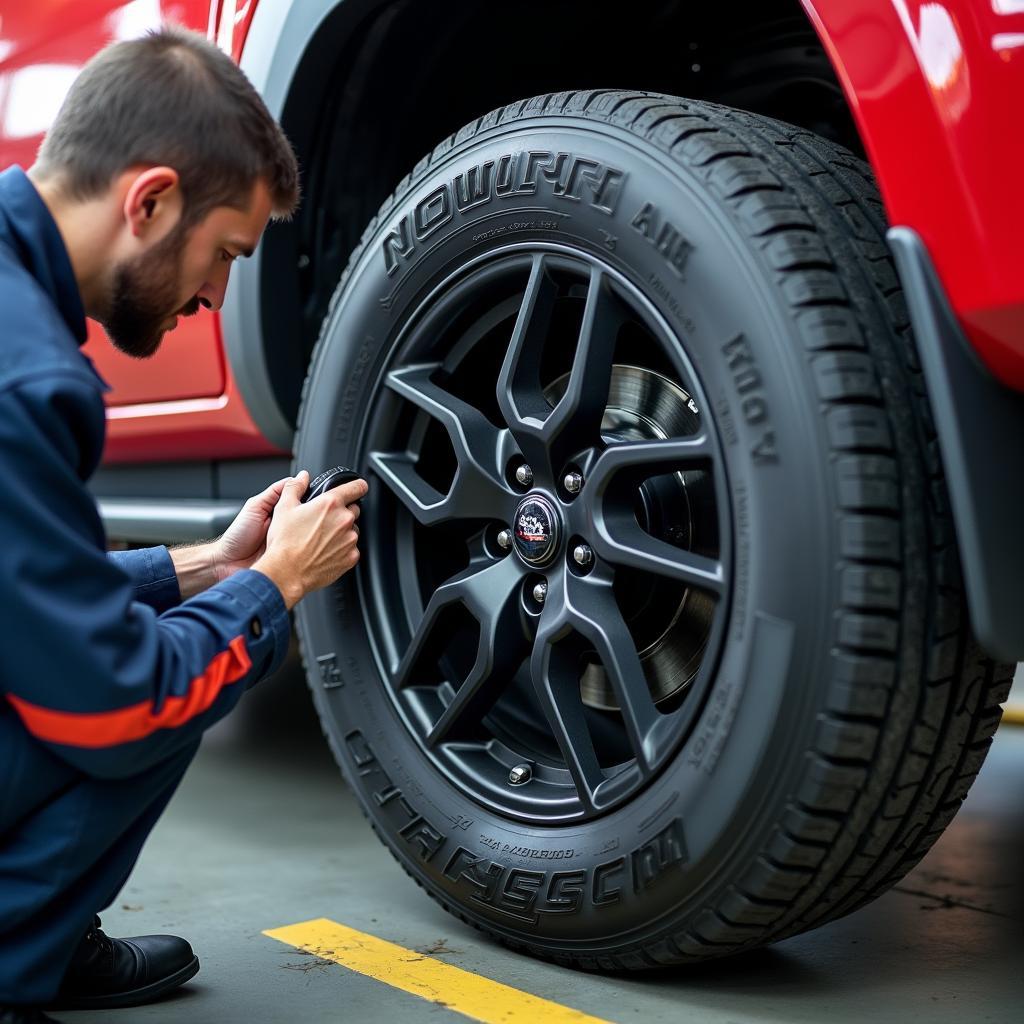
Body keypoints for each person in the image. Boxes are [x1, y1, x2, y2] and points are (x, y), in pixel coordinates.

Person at [0, 27, 366, 1024]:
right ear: (150, 200)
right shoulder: (27, 380)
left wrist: (209, 565)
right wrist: (272, 590)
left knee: (179, 627)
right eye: (224, 255)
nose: (212, 298)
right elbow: (115, 702)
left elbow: (21, 602)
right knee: (176, 680)